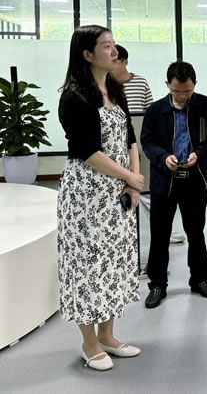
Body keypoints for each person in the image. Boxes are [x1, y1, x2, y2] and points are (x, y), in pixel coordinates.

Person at [57, 25, 144, 370]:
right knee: (87, 266)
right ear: (87, 54)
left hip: (117, 191)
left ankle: (108, 335)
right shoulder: (74, 97)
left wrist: (133, 182)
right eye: (106, 46)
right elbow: (87, 151)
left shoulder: (115, 89)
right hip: (86, 194)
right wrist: (129, 177)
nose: (114, 51)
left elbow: (130, 138)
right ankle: (89, 342)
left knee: (114, 262)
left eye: (113, 45)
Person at [140, 61, 207, 309]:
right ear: (167, 85)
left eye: (187, 91)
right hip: (164, 180)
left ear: (194, 85)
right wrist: (163, 157)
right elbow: (147, 142)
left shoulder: (206, 105)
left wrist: (200, 153)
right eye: (176, 91)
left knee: (196, 232)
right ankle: (157, 284)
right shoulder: (155, 110)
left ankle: (199, 279)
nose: (182, 96)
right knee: (160, 234)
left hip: (195, 178)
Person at [112, 44, 186, 244]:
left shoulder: (140, 82)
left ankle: (165, 230)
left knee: (145, 189)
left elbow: (152, 113)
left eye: (115, 60)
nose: (111, 64)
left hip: (140, 143)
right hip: (114, 145)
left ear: (125, 62)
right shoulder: (105, 85)